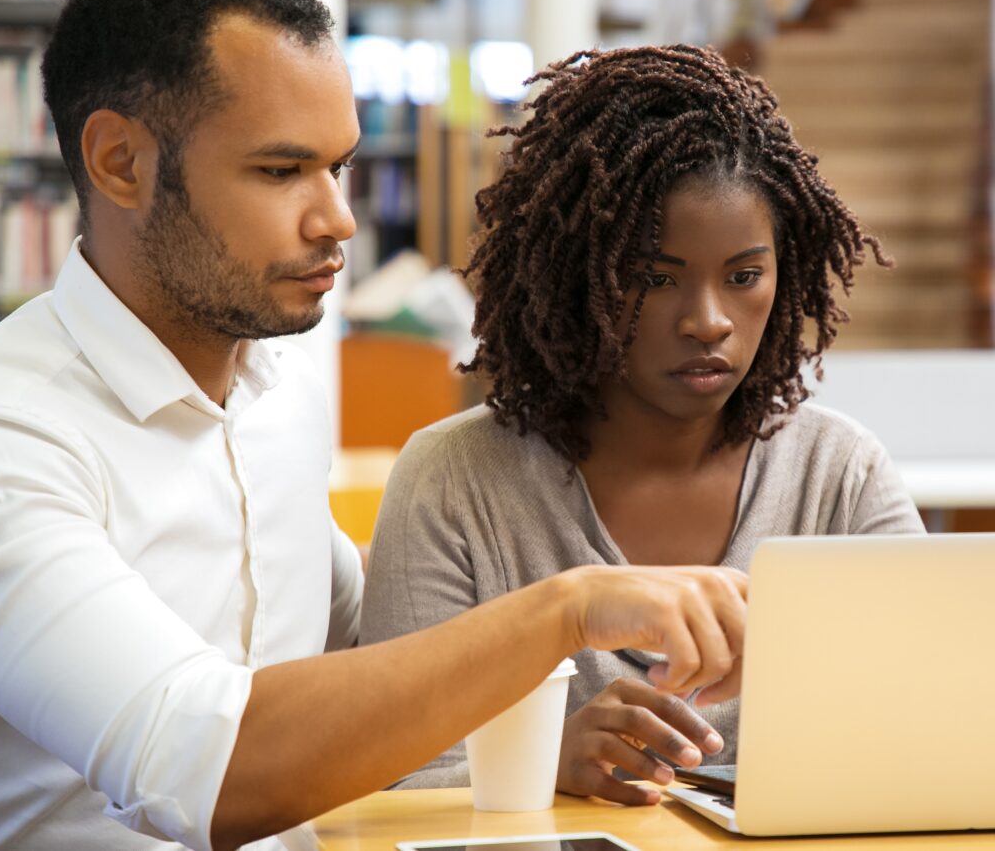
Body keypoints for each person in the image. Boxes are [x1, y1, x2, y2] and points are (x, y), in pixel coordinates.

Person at [0, 0, 750, 851]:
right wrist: (567, 607)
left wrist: (544, 749)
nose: (338, 217)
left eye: (337, 167)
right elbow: (206, 771)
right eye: (279, 170)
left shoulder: (274, 390)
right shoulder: (2, 435)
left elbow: (366, 655)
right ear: (119, 163)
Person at [359, 45, 925, 805]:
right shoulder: (455, 481)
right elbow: (389, 777)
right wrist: (544, 762)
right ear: (573, 274)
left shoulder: (839, 476)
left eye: (745, 276)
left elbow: (935, 731)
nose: (708, 321)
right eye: (656, 278)